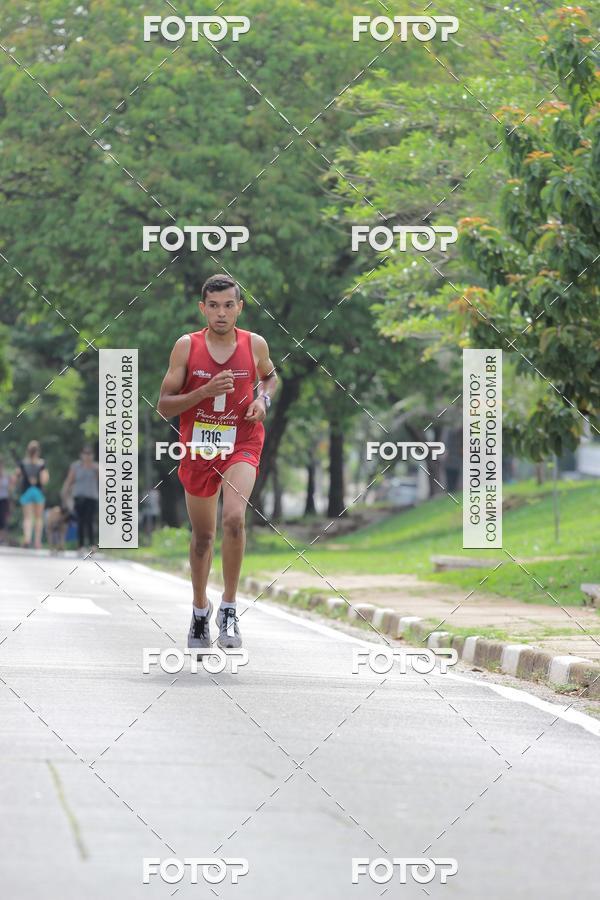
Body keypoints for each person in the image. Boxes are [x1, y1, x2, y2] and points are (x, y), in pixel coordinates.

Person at [157, 274, 278, 652]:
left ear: (240, 307)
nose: (221, 313)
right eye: (214, 306)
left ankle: (228, 607)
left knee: (234, 519)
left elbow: (270, 378)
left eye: (229, 305)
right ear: (202, 308)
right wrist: (205, 391)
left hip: (242, 442)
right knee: (204, 537)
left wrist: (263, 401)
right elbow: (164, 405)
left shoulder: (254, 344)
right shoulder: (186, 347)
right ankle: (199, 610)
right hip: (199, 447)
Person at [62, 445, 99, 552]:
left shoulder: (96, 467)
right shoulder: (76, 466)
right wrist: (64, 491)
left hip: (91, 497)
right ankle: (81, 545)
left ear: (92, 455)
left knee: (90, 520)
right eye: (85, 453)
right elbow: (70, 480)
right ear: (81, 455)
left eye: (89, 454)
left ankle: (92, 544)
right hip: (78, 497)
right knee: (81, 521)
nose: (87, 456)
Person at [15, 440, 48, 549]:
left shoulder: (23, 463)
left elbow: (17, 475)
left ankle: (27, 539)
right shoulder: (42, 463)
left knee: (27, 517)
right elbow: (44, 480)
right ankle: (37, 542)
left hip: (26, 491)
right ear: (38, 451)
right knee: (38, 518)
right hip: (38, 491)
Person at [0, 457, 12, 545]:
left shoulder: (6, 476)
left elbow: (10, 488)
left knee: (3, 519)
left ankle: (2, 539)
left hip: (4, 499)